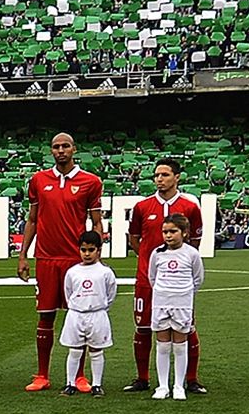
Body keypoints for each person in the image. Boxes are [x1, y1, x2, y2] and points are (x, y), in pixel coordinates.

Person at [18, 133, 106, 392]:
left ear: (74, 149)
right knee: (45, 317)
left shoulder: (90, 182)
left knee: (78, 317)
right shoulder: (38, 180)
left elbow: (97, 221)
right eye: (56, 147)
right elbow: (32, 219)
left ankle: (78, 376)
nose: (60, 150)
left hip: (74, 261)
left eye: (65, 146)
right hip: (45, 258)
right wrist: (23, 255)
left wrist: (96, 255)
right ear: (51, 151)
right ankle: (42, 375)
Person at [126, 158, 206, 394]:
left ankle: (190, 379)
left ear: (177, 177)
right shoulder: (142, 207)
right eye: (157, 175)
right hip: (147, 279)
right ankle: (143, 378)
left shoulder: (190, 207)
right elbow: (134, 238)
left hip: (177, 284)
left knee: (186, 327)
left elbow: (195, 243)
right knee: (142, 326)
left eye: (165, 175)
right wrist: (150, 261)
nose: (160, 179)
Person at [147, 215, 205, 401]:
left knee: (180, 345)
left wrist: (184, 293)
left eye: (173, 231)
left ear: (185, 232)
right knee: (162, 345)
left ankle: (179, 385)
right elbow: (152, 277)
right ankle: (162, 385)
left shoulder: (191, 254)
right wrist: (163, 292)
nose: (168, 236)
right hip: (161, 302)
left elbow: (198, 279)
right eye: (165, 232)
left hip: (182, 303)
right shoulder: (157, 253)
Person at [60, 230, 116, 396]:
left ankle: (97, 385)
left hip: (97, 314)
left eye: (91, 250)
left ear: (98, 250)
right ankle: (70, 383)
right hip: (76, 314)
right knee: (75, 350)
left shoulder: (105, 272)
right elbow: (68, 292)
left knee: (96, 350)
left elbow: (111, 293)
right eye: (83, 250)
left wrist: (101, 307)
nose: (87, 254)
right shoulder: (73, 272)